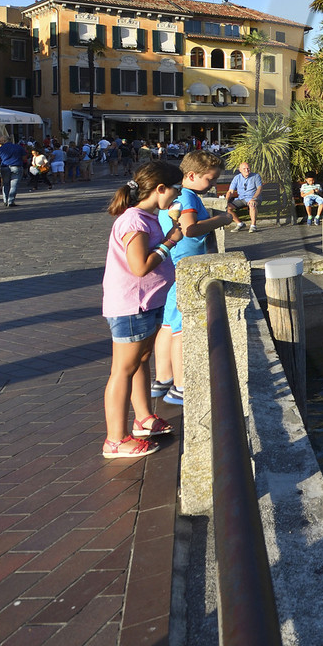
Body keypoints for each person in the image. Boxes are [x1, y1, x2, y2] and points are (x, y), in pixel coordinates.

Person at [100, 160, 186, 459]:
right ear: (160, 188)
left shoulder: (147, 216)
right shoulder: (134, 221)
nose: (178, 196)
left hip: (147, 302)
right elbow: (140, 266)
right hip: (132, 305)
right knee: (123, 370)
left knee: (141, 360)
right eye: (175, 190)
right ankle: (115, 440)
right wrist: (170, 242)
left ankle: (143, 418)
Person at [151, 150, 233, 406]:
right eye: (210, 179)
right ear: (191, 175)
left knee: (168, 324)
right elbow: (189, 229)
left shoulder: (178, 194)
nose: (213, 184)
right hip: (186, 267)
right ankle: (181, 386)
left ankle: (163, 378)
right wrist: (221, 219)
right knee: (180, 329)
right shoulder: (187, 196)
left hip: (175, 265)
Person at [224, 161, 263, 231]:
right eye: (244, 169)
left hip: (253, 198)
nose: (246, 170)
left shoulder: (256, 176)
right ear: (240, 170)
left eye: (248, 168)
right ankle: (240, 224)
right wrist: (226, 200)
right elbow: (231, 191)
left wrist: (254, 198)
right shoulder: (237, 178)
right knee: (227, 207)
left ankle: (253, 226)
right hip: (241, 199)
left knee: (252, 204)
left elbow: (259, 188)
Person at [0, 135, 27, 207]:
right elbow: (24, 158)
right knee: (14, 185)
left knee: (5, 184)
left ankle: (5, 200)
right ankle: (11, 201)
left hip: (5, 167)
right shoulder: (18, 147)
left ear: (4, 141)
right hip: (16, 166)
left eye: (0, 141)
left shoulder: (0, 149)